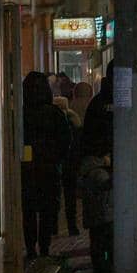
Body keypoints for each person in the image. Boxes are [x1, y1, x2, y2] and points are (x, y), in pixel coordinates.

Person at [20, 71, 71, 260]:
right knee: (48, 210)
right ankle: (45, 247)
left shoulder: (21, 114)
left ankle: (31, 248)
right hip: (49, 169)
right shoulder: (54, 113)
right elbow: (66, 140)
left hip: (26, 170)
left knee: (29, 211)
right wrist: (57, 159)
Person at [79, 71, 115, 273]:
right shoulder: (110, 104)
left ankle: (101, 264)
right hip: (101, 166)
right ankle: (106, 263)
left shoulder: (97, 103)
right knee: (106, 221)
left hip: (95, 166)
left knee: (98, 221)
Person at [54, 93, 82, 236]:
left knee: (55, 196)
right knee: (70, 197)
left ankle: (54, 227)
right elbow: (78, 143)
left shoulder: (52, 120)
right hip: (71, 164)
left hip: (56, 164)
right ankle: (72, 226)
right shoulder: (74, 119)